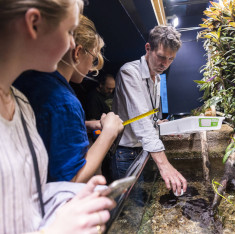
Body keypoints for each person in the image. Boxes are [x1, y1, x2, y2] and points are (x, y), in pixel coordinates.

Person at [0, 0, 115, 233]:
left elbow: (29, 194)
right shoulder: (59, 99)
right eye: (70, 31)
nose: (73, 44)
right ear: (34, 24)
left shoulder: (20, 101)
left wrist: (69, 196)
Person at [14, 14, 124, 184]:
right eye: (93, 57)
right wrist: (109, 133)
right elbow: (71, 179)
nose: (91, 67)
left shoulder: (30, 81)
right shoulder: (64, 102)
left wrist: (86, 125)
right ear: (78, 52)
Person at [112, 25, 187, 196]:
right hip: (126, 153)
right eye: (161, 57)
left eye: (171, 59)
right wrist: (164, 165)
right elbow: (140, 123)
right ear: (148, 48)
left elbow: (148, 115)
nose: (165, 64)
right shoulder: (129, 73)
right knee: (130, 211)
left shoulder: (159, 78)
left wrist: (158, 124)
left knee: (145, 201)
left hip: (144, 151)